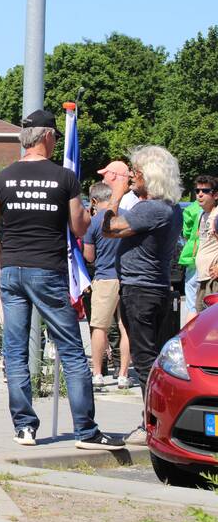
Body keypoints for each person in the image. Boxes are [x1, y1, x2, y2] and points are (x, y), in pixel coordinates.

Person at [0, 108, 124, 451]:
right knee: (72, 352)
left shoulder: (3, 178)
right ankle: (86, 432)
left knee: (15, 351)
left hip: (12, 270)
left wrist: (4, 258)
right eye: (56, 137)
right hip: (48, 270)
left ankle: (25, 428)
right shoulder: (64, 178)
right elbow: (79, 226)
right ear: (47, 137)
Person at [99, 145, 183, 446]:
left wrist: (117, 194)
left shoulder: (151, 209)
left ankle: (151, 426)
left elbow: (107, 229)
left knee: (145, 362)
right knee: (155, 361)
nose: (132, 176)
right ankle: (159, 423)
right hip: (155, 288)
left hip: (141, 290)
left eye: (136, 172)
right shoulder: (170, 207)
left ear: (151, 175)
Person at [83, 182, 131, 391]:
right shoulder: (128, 216)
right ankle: (123, 375)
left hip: (104, 278)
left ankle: (97, 374)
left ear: (94, 201)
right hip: (129, 277)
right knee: (125, 327)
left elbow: (89, 256)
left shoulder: (93, 222)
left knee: (99, 327)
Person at [191, 175, 218, 313]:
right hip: (203, 278)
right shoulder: (203, 215)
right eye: (197, 191)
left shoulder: (217, 215)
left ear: (216, 195)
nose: (200, 194)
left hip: (213, 280)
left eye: (205, 191)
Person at [178, 195, 202, 322]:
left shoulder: (191, 209)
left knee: (192, 304)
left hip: (192, 255)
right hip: (209, 257)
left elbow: (186, 233)